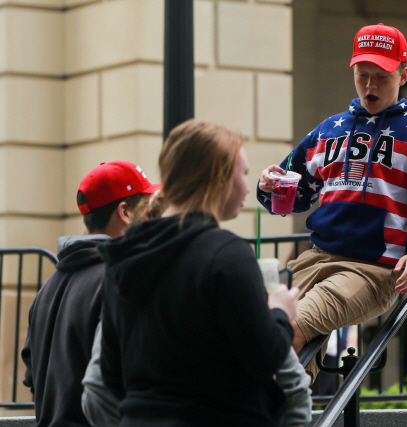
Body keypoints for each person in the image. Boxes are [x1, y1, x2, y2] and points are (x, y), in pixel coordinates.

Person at [257, 23, 407, 379]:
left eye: (382, 76)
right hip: (314, 259)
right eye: (363, 75)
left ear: (403, 75)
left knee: (289, 325)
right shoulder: (330, 129)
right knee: (255, 327)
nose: (371, 85)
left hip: (372, 269)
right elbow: (292, 195)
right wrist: (268, 183)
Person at [98, 119, 300, 426]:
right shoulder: (228, 254)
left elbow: (112, 374)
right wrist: (280, 313)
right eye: (243, 174)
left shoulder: (123, 255)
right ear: (218, 177)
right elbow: (265, 358)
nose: (248, 186)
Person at [21, 160, 160, 427]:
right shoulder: (119, 279)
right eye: (147, 206)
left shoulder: (47, 287)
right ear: (125, 212)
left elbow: (32, 377)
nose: (154, 214)